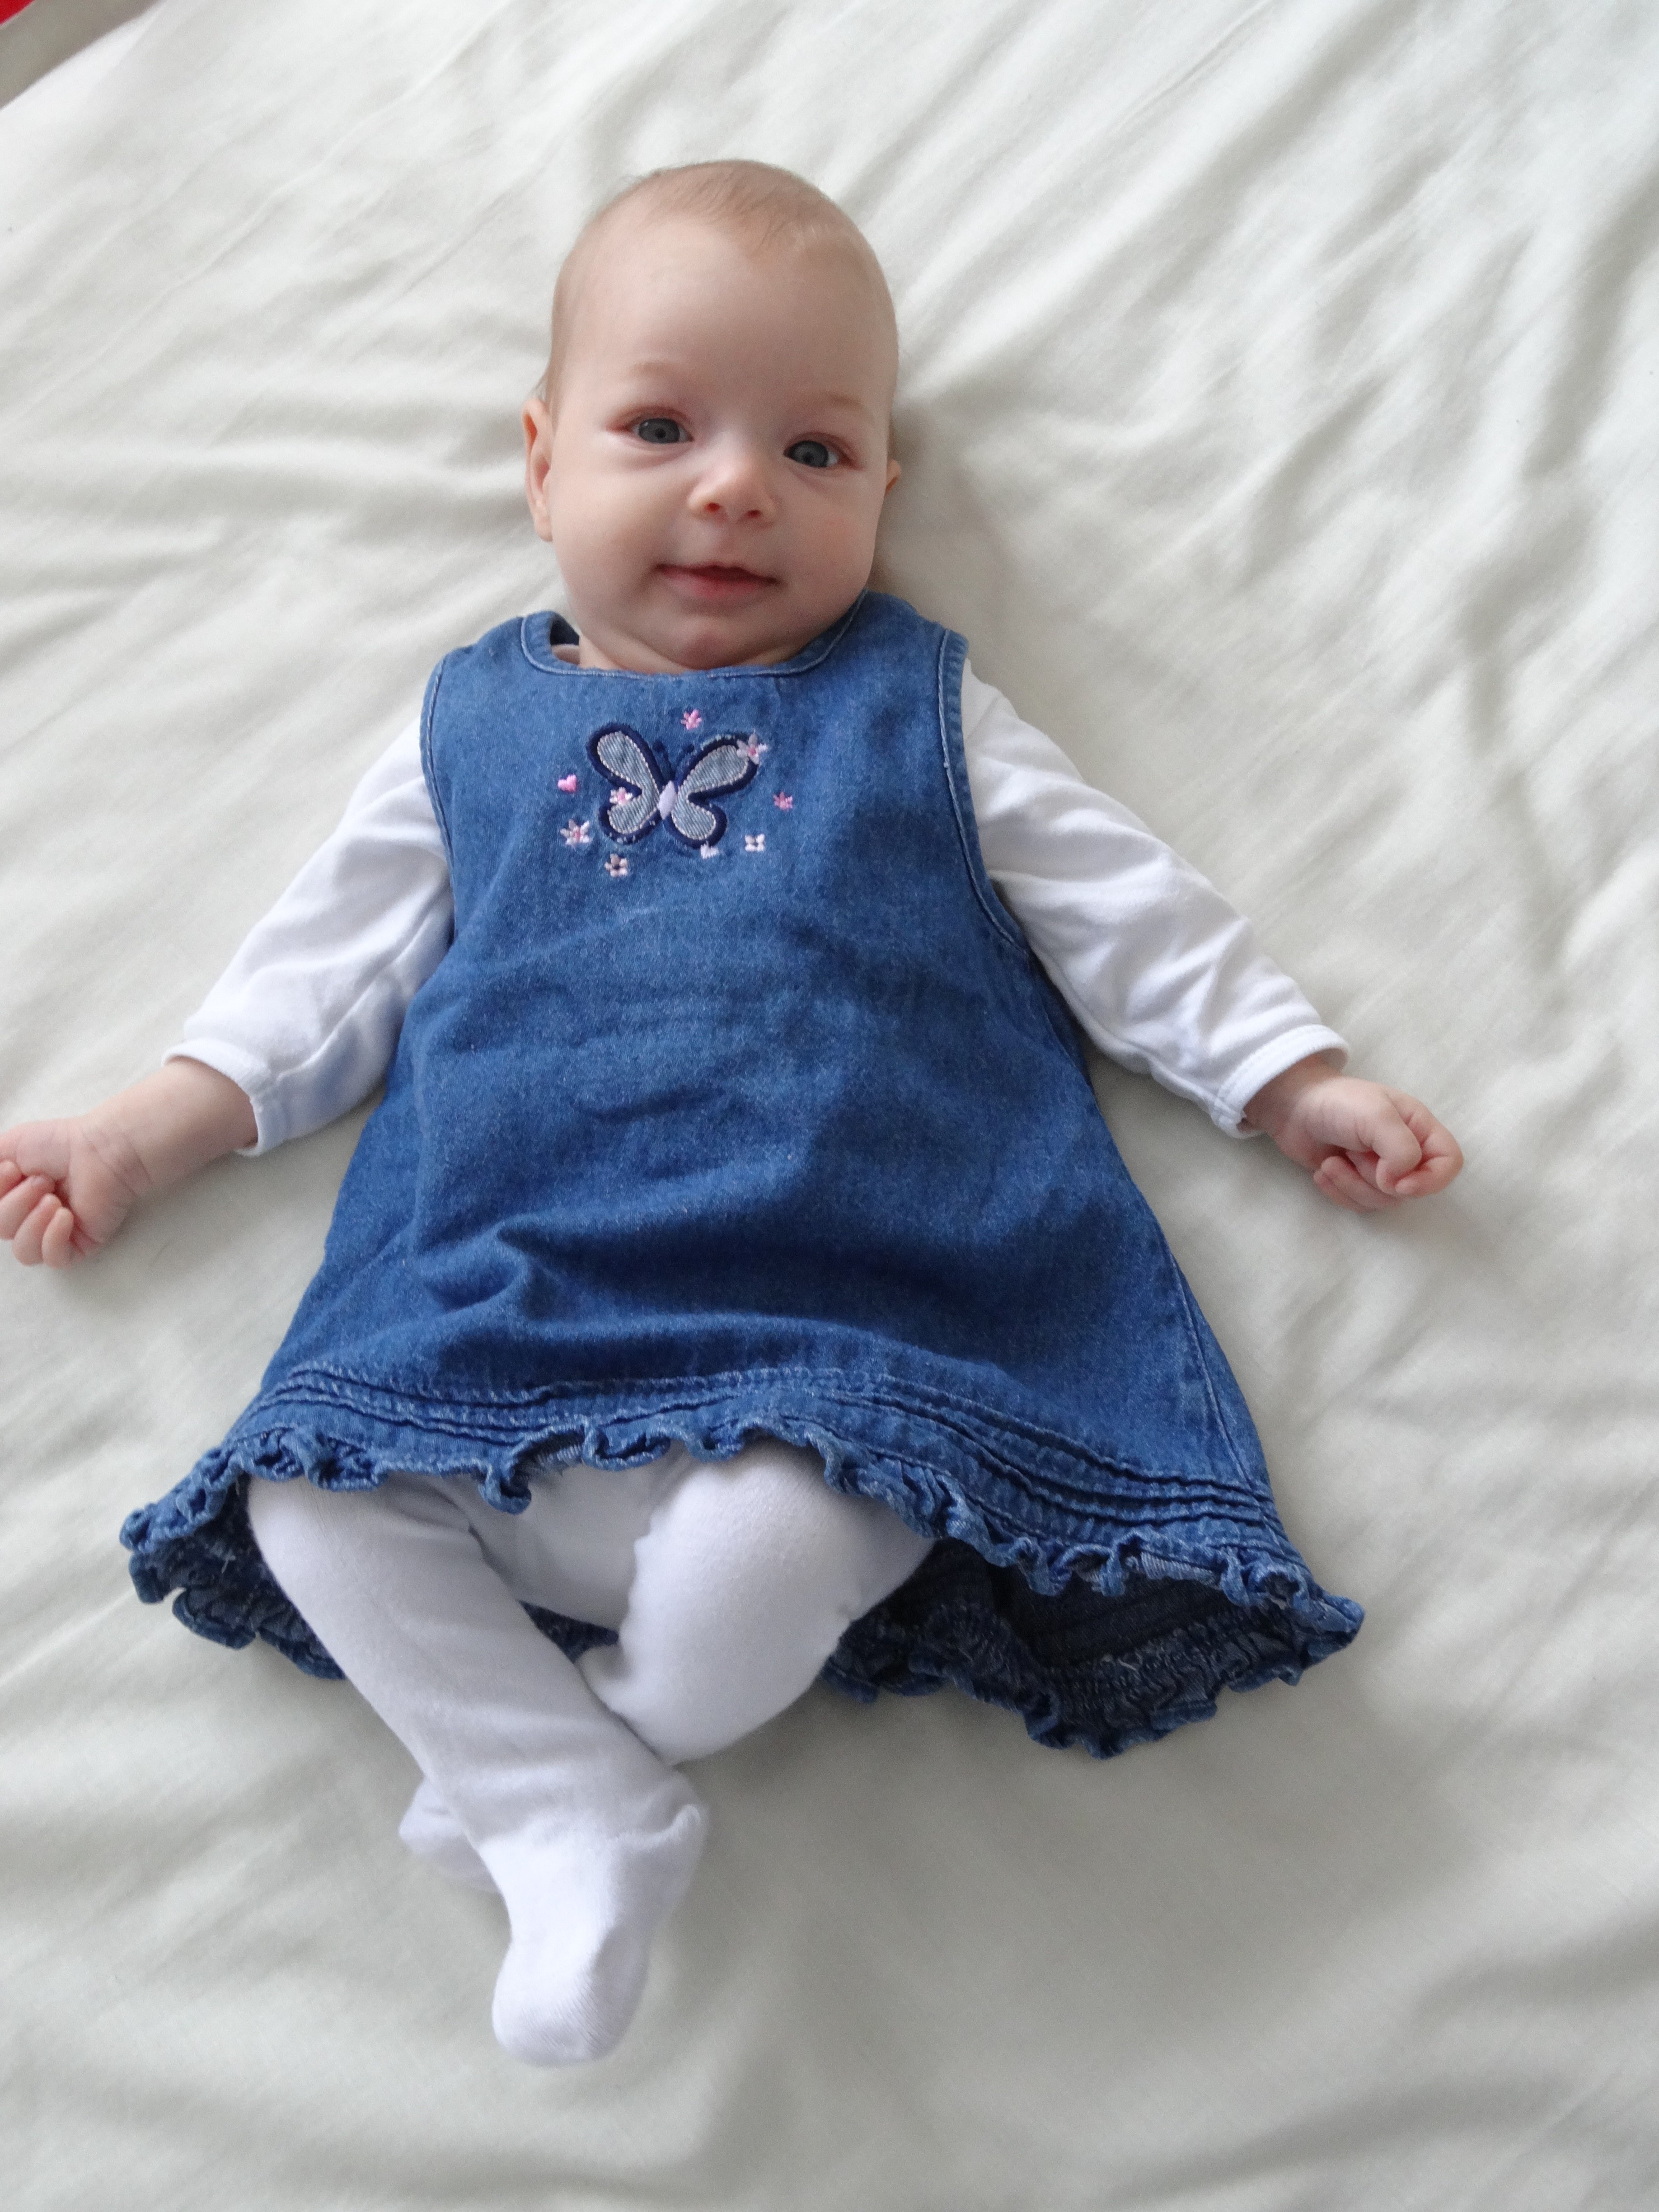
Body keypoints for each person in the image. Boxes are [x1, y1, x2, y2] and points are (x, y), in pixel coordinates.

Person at [0, 161, 1462, 2066]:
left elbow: (1130, 916)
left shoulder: (919, 711)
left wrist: (1288, 1076)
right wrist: (134, 1134)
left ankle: (564, 1777)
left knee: (758, 1576)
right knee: (306, 1502)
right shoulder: (466, 731)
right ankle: (568, 1804)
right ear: (541, 465)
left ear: (885, 493)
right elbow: (314, 983)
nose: (734, 489)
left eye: (814, 451)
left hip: (846, 1327)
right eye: (661, 430)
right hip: (500, 1318)